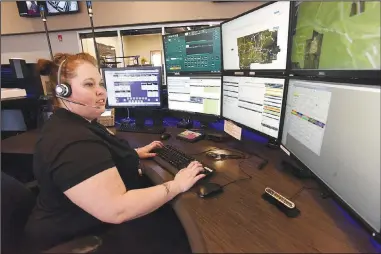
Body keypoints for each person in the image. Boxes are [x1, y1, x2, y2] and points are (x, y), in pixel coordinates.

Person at [24, 53, 205, 252]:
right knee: (185, 237)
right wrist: (176, 185)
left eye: (100, 84)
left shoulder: (78, 123)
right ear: (62, 91)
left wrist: (133, 154)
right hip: (80, 238)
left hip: (85, 222)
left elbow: (96, 157)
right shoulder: (72, 140)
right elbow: (117, 209)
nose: (101, 91)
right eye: (89, 84)